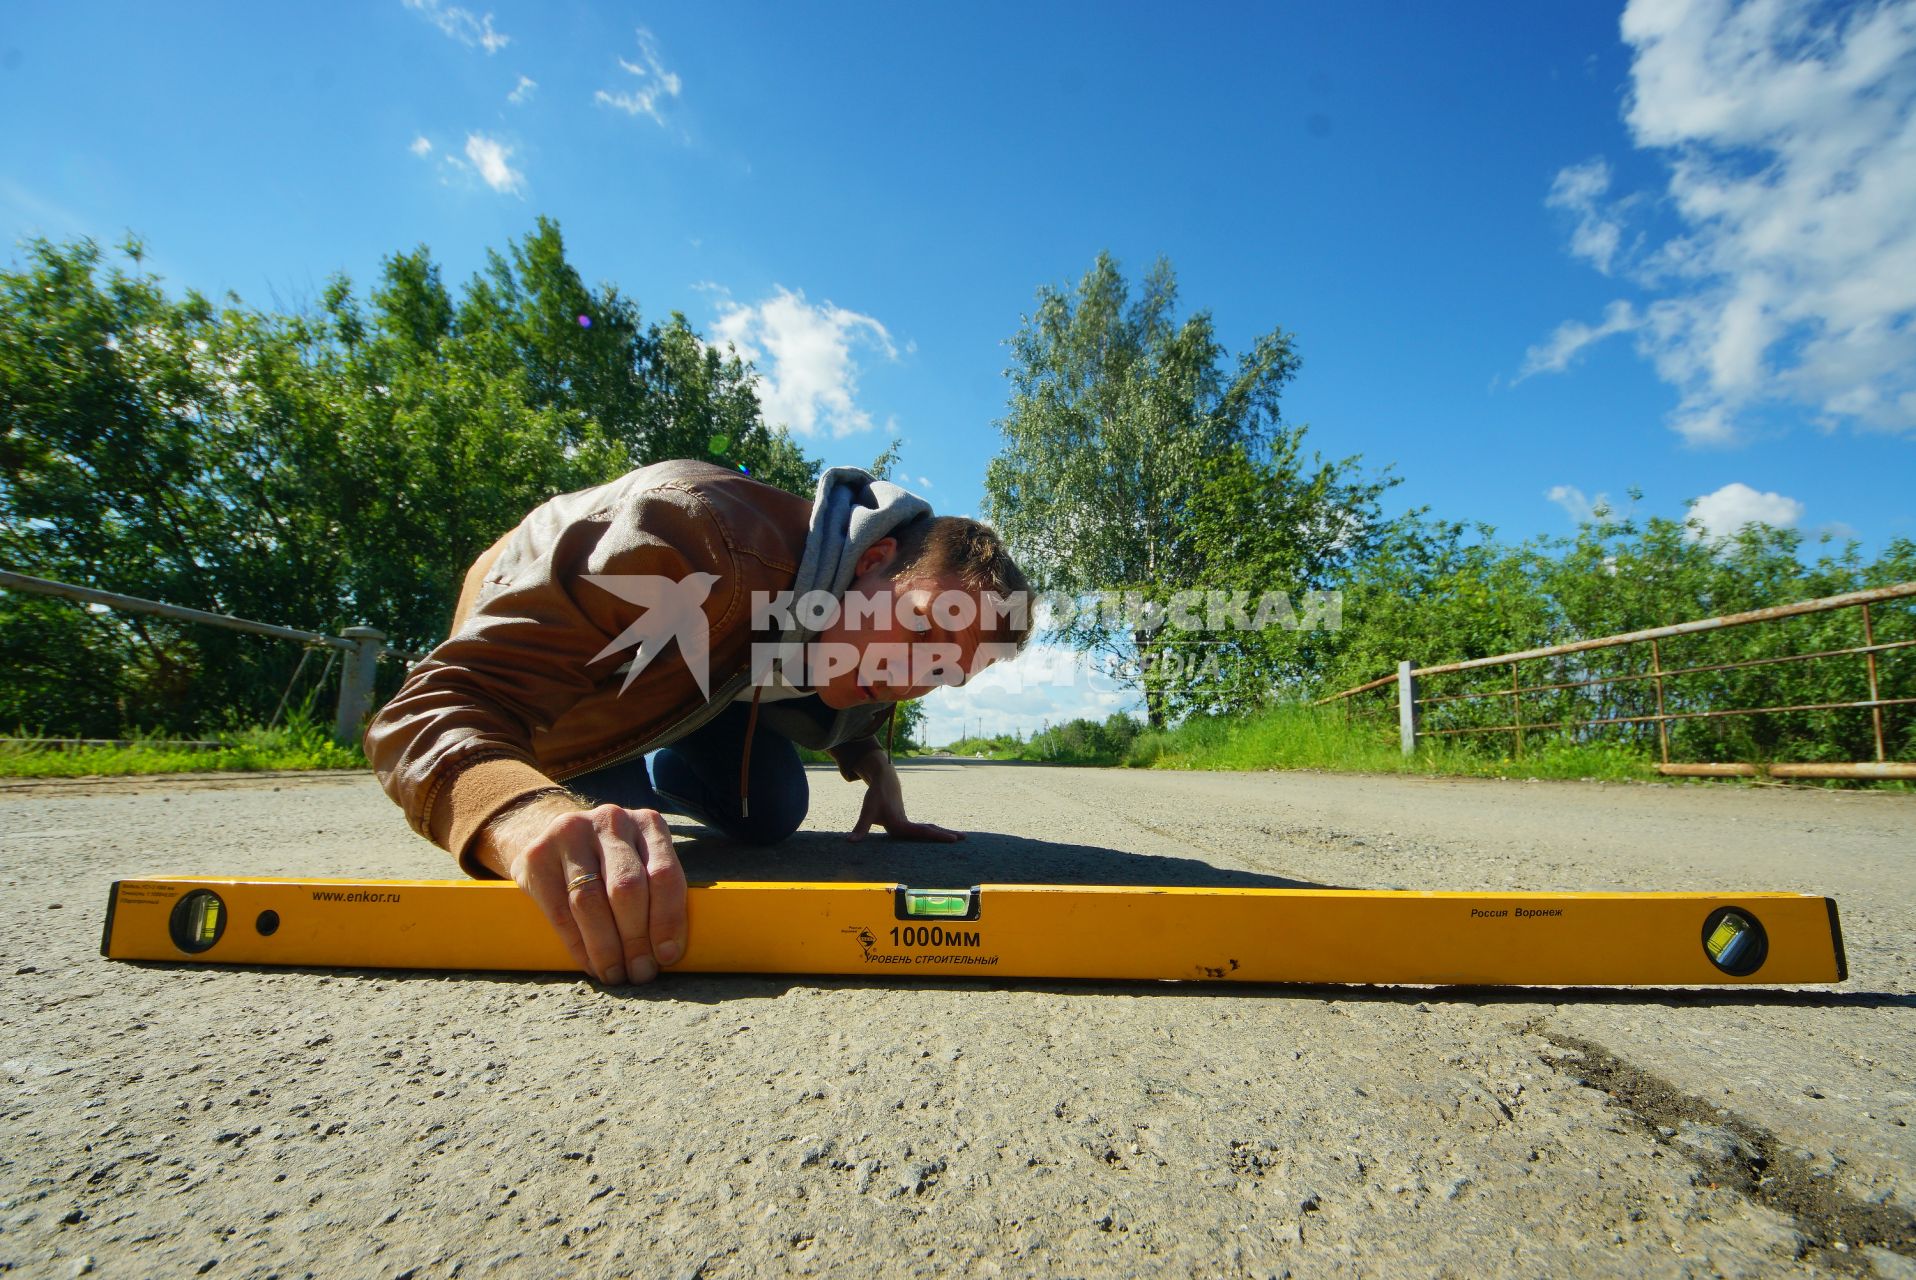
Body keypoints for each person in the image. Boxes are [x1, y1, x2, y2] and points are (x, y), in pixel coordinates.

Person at [364, 459, 1031, 986]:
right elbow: (429, 710)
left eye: (944, 672)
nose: (907, 678)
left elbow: (858, 716)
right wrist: (521, 815)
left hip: (688, 695)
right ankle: (617, 778)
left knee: (771, 813)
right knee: (610, 857)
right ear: (875, 559)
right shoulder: (687, 535)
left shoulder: (864, 631)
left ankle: (665, 767)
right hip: (565, 703)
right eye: (917, 631)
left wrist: (878, 773)